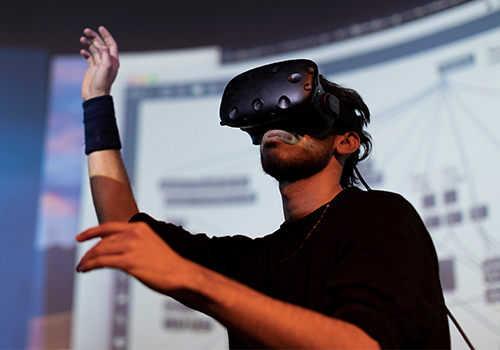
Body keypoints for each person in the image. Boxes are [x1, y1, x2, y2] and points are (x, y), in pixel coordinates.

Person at [76, 26, 450, 349]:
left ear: (346, 142)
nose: (278, 124)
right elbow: (124, 229)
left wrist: (196, 280)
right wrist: (97, 102)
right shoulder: (253, 262)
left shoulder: (381, 217)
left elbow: (360, 343)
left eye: (298, 116)